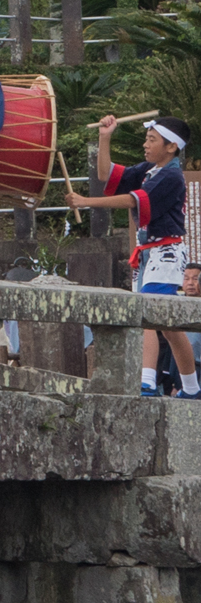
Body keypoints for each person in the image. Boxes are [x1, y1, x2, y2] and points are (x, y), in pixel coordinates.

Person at [67, 115, 198, 397]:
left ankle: (149, 382)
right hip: (149, 252)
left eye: (152, 139)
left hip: (165, 251)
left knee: (153, 316)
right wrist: (105, 136)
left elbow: (132, 199)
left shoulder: (171, 175)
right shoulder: (151, 169)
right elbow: (107, 174)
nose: (145, 144)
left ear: (171, 146)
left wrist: (86, 202)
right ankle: (189, 387)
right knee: (165, 324)